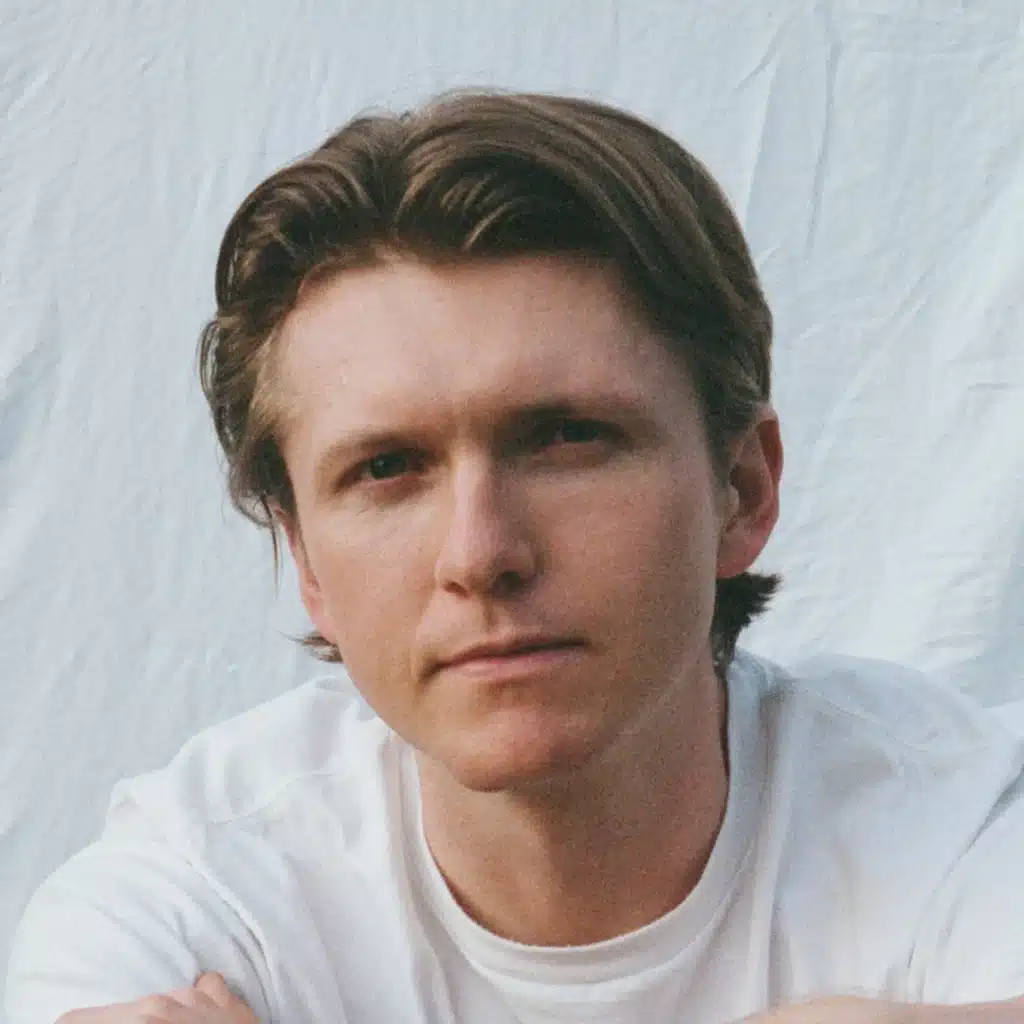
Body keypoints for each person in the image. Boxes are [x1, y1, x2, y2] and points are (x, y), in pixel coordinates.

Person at [5, 90, 1024, 1024]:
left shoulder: (961, 821)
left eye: (566, 438)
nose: (480, 552)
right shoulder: (199, 895)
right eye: (387, 467)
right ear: (305, 560)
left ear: (741, 491)